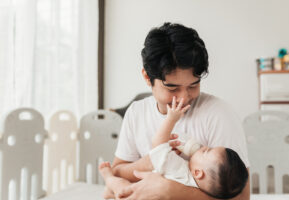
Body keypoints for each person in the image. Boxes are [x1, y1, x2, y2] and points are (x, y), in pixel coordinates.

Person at [112, 22, 250, 200]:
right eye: (172, 88)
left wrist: (173, 191)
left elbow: (241, 197)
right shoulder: (136, 113)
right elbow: (116, 172)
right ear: (147, 77)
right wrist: (149, 162)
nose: (184, 98)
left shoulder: (218, 114)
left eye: (193, 85)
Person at [99, 97, 248, 199]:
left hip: (143, 191)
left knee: (124, 188)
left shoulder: (179, 170)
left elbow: (157, 144)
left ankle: (109, 180)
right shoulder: (202, 189)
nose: (203, 147)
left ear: (198, 172)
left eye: (206, 151)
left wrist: (171, 119)